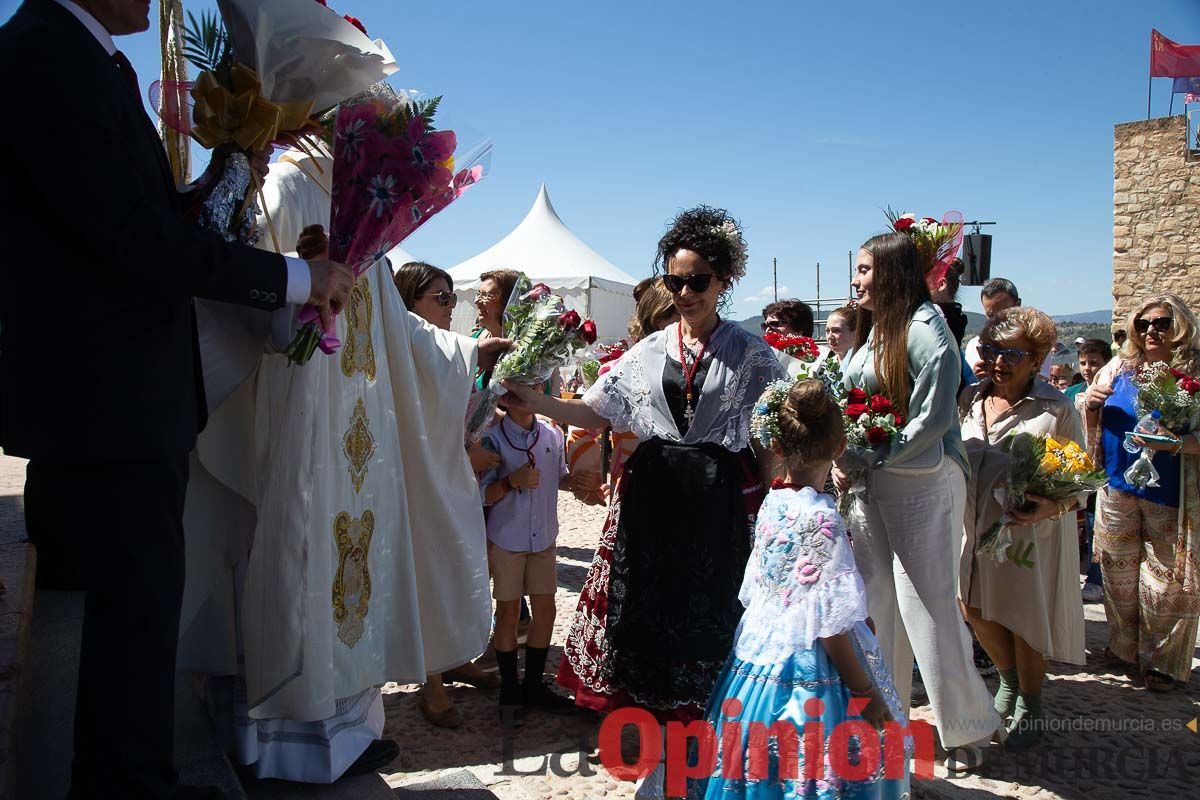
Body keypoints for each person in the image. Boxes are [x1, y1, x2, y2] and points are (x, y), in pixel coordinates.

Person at [0, 2, 354, 797]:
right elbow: (133, 240)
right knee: (135, 607)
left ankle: (128, 772)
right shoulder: (52, 54)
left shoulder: (72, 54)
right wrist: (296, 279)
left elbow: (130, 217)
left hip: (114, 389)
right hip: (109, 392)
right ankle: (128, 782)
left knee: (138, 604)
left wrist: (227, 176)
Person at [176, 141, 508, 783]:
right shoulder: (284, 189)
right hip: (297, 425)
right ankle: (274, 745)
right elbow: (240, 303)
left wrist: (467, 353)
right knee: (295, 559)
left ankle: (348, 733)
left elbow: (398, 328)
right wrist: (298, 302)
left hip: (360, 439)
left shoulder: (366, 211)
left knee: (351, 568)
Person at [503, 206, 786, 799]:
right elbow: (595, 410)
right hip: (653, 501)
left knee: (710, 617)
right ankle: (663, 737)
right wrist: (534, 400)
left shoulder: (752, 353)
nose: (683, 293)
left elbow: (778, 425)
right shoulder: (649, 350)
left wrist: (784, 497)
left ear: (724, 282)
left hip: (717, 505)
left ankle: (708, 741)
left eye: (697, 281)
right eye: (673, 281)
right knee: (652, 616)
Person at [689, 379, 908, 799]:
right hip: (811, 667)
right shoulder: (821, 519)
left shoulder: (775, 502)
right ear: (841, 446)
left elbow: (763, 588)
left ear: (777, 446)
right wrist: (865, 692)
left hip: (759, 651)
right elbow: (827, 625)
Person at [833, 232, 1000, 771]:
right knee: (875, 598)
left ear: (892, 272)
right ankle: (887, 719)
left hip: (922, 475)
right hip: (873, 476)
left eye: (864, 270)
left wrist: (866, 456)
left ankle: (968, 726)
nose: (856, 280)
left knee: (925, 602)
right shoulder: (878, 327)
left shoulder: (929, 332)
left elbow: (932, 420)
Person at [958, 307, 1087, 751]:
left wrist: (1047, 507)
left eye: (1011, 353)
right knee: (973, 607)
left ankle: (1029, 702)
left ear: (1037, 358)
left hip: (1027, 535)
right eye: (991, 349)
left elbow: (1082, 482)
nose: (998, 361)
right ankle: (1008, 682)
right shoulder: (968, 400)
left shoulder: (1057, 408)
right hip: (969, 527)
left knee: (1023, 620)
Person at [556, 277, 678, 709]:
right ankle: (624, 688)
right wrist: (585, 474)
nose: (677, 324)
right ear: (647, 322)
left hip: (692, 501)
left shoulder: (706, 365)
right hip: (635, 498)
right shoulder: (621, 370)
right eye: (668, 316)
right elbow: (585, 421)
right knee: (626, 591)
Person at [393, 261, 503, 728]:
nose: (450, 306)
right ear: (411, 302)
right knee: (430, 570)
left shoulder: (437, 344)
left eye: (450, 296)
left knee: (462, 564)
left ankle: (458, 655)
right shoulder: (406, 341)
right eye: (440, 297)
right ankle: (431, 679)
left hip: (453, 469)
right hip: (418, 478)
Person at [1083, 294, 1200, 692]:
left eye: (1162, 323)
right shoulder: (1120, 366)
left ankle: (1163, 663)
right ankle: (1124, 650)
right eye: (1144, 323)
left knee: (1165, 585)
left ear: (1179, 326)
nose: (1152, 330)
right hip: (1117, 486)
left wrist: (1180, 444)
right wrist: (1092, 405)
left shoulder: (1192, 374)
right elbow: (1094, 411)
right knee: (1117, 577)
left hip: (1171, 493)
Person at [478, 387, 577, 722]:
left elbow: (560, 477)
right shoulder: (492, 440)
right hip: (507, 539)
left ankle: (533, 685)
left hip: (544, 538)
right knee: (507, 614)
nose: (529, 394)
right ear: (504, 399)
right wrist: (510, 482)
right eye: (519, 391)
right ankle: (510, 688)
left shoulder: (552, 434)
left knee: (545, 611)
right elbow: (480, 494)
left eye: (534, 388)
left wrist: (582, 485)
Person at [1069, 339, 1113, 603]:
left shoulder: (1110, 393)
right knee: (1079, 523)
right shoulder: (1072, 392)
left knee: (1098, 525)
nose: (1087, 368)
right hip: (1077, 467)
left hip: (1102, 467)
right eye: (1083, 363)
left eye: (1094, 363)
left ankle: (1097, 579)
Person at [963, 279, 1052, 380]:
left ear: (1017, 304)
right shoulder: (973, 345)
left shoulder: (1035, 344)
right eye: (991, 315)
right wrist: (973, 377)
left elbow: (1037, 383)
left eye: (1004, 312)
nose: (998, 320)